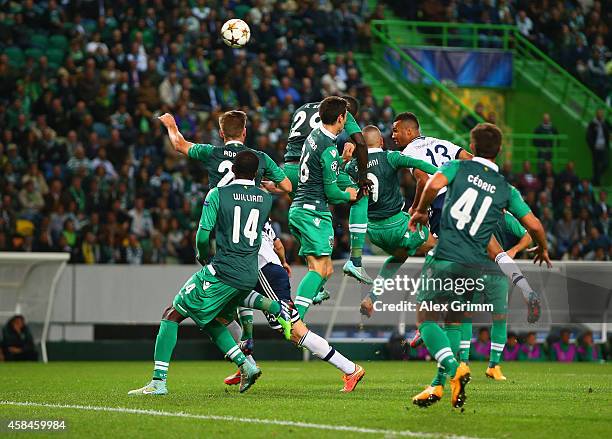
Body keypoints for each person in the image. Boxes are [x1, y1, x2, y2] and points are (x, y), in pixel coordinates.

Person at [408, 122, 550, 408]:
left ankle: (454, 367)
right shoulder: (506, 189)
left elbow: (433, 183)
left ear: (472, 148)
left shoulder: (458, 168)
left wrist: (421, 211)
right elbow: (534, 225)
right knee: (453, 320)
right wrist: (543, 248)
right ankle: (437, 386)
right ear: (499, 150)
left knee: (425, 319)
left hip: (446, 252)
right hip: (475, 264)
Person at [128, 151, 290, 395]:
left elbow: (203, 237)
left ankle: (158, 382)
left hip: (223, 269)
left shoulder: (218, 194)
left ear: (234, 170)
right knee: (212, 320)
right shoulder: (265, 199)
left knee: (172, 313)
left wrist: (204, 258)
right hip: (249, 272)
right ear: (256, 174)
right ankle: (248, 360)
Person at [223, 220, 365, 392]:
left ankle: (351, 369)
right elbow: (278, 245)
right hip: (266, 269)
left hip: (264, 272)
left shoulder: (236, 208)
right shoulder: (260, 208)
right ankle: (246, 365)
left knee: (296, 332)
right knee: (228, 307)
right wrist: (283, 262)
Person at [339, 125, 438, 317]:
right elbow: (419, 164)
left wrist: (344, 160)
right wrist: (444, 174)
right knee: (436, 246)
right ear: (382, 142)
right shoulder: (390, 157)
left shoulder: (353, 166)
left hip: (374, 232)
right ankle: (428, 296)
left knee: (399, 257)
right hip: (397, 226)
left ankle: (372, 298)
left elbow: (337, 176)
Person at [283, 96, 372, 284]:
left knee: (308, 222)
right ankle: (355, 261)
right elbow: (362, 144)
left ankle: (317, 283)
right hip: (315, 166)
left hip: (290, 170)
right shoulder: (342, 113)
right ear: (344, 115)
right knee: (360, 197)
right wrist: (362, 179)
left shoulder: (304, 107)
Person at [288, 96, 359, 323]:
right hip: (312, 212)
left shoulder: (313, 137)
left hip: (303, 209)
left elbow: (323, 166)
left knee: (326, 270)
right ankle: (294, 321)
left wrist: (341, 159)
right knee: (318, 270)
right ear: (341, 118)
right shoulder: (328, 148)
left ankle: (299, 311)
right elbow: (332, 193)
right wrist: (349, 194)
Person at [392, 112, 472, 237]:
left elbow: (424, 181)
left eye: (395, 131)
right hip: (465, 196)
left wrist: (416, 208)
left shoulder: (408, 152)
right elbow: (470, 159)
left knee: (443, 250)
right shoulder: (439, 141)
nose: (392, 136)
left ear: (409, 131)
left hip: (442, 202)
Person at [586, 108, 610, 185]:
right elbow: (588, 137)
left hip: (604, 146)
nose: (601, 115)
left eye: (602, 113)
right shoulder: (592, 123)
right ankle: (596, 181)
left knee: (606, 163)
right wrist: (592, 147)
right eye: (599, 113)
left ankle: (595, 178)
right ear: (596, 114)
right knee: (596, 165)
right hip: (596, 147)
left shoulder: (605, 122)